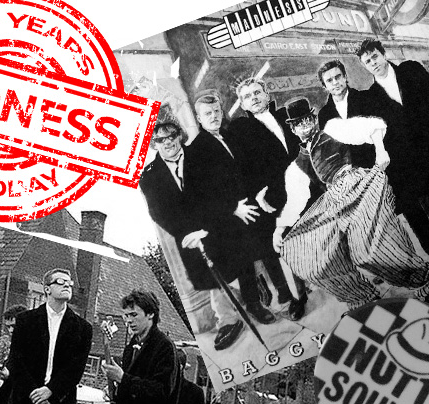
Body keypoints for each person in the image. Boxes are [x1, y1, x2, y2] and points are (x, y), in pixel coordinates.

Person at [275, 98, 429, 310]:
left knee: (369, 251)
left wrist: (380, 151)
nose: (305, 125)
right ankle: (363, 298)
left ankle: (423, 281)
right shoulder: (296, 165)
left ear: (314, 119)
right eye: (299, 123)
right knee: (312, 261)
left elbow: (373, 125)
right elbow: (295, 200)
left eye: (308, 119)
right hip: (332, 200)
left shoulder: (333, 129)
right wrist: (280, 228)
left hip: (357, 185)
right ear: (292, 129)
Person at [139, 121, 244, 351]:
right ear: (154, 145)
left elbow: (220, 190)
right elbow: (160, 214)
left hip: (219, 220)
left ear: (180, 136)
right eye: (161, 140)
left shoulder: (202, 156)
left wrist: (207, 228)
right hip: (186, 234)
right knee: (207, 275)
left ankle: (246, 293)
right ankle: (229, 320)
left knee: (233, 261)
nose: (168, 143)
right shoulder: (149, 178)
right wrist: (190, 233)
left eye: (171, 136)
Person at [182, 91, 277, 327]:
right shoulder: (195, 152)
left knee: (271, 242)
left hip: (254, 203)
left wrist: (259, 192)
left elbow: (249, 169)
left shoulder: (232, 136)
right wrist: (233, 208)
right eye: (207, 114)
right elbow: (200, 196)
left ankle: (286, 290)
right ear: (198, 118)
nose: (213, 117)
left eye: (216, 111)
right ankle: (254, 303)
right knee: (242, 256)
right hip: (228, 217)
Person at [229, 78, 307, 316]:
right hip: (272, 193)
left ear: (266, 94)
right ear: (243, 104)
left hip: (303, 183)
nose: (253, 98)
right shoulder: (241, 129)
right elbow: (242, 167)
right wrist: (260, 193)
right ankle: (296, 296)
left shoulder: (285, 115)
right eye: (247, 96)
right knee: (277, 246)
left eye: (257, 92)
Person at [0, 268, 93, 404]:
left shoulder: (83, 328)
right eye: (60, 281)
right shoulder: (25, 321)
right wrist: (35, 393)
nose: (67, 284)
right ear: (47, 289)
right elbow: (16, 361)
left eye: (69, 282)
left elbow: (76, 369)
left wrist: (51, 391)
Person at [356, 38, 429, 252]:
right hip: (408, 163)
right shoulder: (371, 97)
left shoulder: (411, 70)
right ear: (364, 66)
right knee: (419, 215)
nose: (373, 63)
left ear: (383, 54)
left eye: (375, 56)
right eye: (368, 61)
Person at [101, 290, 181, 404]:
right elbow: (131, 386)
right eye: (125, 316)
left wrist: (123, 379)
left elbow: (161, 391)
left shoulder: (164, 347)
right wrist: (115, 390)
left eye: (134, 315)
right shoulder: (131, 347)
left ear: (150, 314)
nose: (128, 320)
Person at [316, 60, 377, 168]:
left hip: (374, 166)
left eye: (338, 77)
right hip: (347, 175)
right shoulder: (324, 115)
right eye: (329, 80)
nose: (335, 82)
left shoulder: (365, 98)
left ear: (345, 77)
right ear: (324, 86)